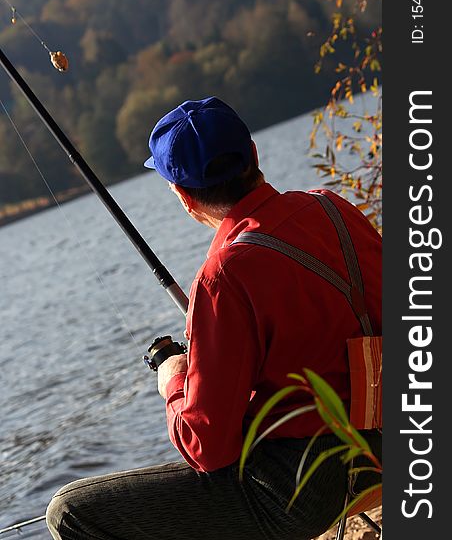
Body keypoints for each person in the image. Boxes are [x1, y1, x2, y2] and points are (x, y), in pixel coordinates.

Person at [46, 96, 382, 540]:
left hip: (316, 486)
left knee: (69, 511)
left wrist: (174, 380)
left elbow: (206, 448)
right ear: (254, 156)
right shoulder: (333, 208)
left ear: (184, 198)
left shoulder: (223, 276)